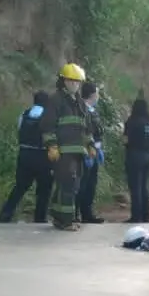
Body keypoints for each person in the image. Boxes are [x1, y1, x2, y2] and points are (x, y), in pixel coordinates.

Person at [39, 62, 97, 231]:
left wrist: (91, 145)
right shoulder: (56, 100)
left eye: (77, 81)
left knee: (72, 185)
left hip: (78, 152)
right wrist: (51, 146)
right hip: (63, 152)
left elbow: (86, 127)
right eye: (71, 81)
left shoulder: (79, 102)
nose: (75, 84)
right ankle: (66, 221)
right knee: (68, 185)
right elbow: (47, 126)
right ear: (63, 81)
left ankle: (59, 218)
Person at [0, 91, 54, 224]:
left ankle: (6, 213)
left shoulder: (24, 115)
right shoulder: (49, 116)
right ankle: (40, 218)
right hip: (42, 156)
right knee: (44, 189)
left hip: (24, 154)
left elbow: (20, 130)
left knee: (20, 186)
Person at [122, 94, 149, 223]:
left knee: (135, 187)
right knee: (145, 186)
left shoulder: (132, 121)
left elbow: (125, 140)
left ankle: (136, 216)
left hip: (135, 155)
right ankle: (146, 215)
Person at [76, 81, 105, 224]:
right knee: (82, 184)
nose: (98, 97)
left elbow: (98, 132)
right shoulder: (81, 110)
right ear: (93, 95)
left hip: (95, 151)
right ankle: (75, 213)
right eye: (97, 94)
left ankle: (87, 214)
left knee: (91, 185)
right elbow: (83, 132)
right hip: (85, 152)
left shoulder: (93, 111)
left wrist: (98, 148)